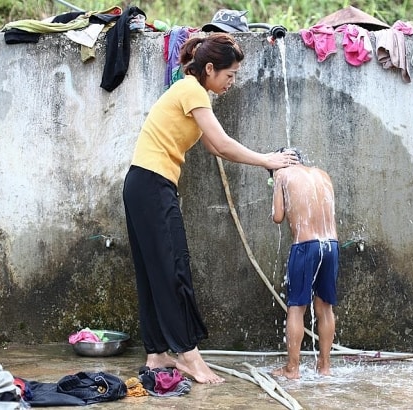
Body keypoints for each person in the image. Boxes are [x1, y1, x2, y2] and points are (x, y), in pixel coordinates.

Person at [122, 33, 299, 385]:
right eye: (229, 75)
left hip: (142, 185)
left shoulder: (190, 92)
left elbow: (214, 148)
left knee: (153, 272)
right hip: (152, 186)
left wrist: (264, 161)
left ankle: (157, 355)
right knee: (172, 269)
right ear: (209, 69)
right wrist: (268, 160)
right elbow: (221, 143)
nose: (231, 83)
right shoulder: (192, 90)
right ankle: (187, 356)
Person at [268, 148, 339, 379]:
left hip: (305, 245)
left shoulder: (281, 175)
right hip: (331, 246)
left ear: (279, 164)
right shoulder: (323, 174)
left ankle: (292, 369)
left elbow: (278, 216)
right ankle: (325, 366)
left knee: (297, 308)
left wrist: (277, 190)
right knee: (325, 307)